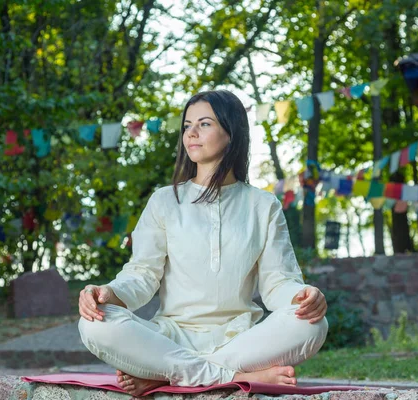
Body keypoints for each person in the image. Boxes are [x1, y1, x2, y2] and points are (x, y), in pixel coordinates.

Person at [78, 90, 329, 397]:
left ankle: (171, 375)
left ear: (231, 132)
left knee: (312, 324)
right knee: (93, 324)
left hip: (240, 340)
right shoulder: (164, 201)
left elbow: (278, 282)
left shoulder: (262, 205)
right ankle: (232, 376)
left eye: (204, 124)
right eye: (187, 125)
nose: (191, 133)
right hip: (169, 337)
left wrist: (302, 296)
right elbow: (142, 275)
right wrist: (109, 293)